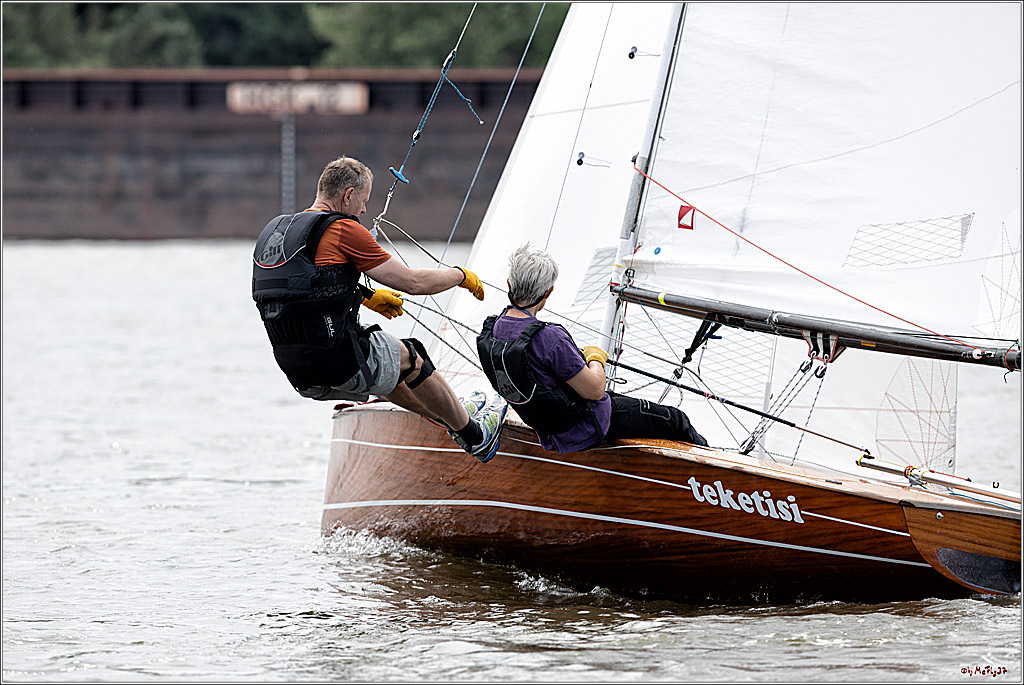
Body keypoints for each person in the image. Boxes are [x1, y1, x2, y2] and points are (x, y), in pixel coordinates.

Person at [253, 155, 506, 462]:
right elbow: (412, 282)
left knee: (388, 372)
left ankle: (452, 418)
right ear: (348, 195)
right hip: (335, 362)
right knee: (412, 357)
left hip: (296, 370)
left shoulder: (277, 232)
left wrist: (363, 296)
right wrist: (459, 276)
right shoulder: (344, 229)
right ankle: (475, 437)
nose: (363, 210)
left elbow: (300, 292)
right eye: (363, 201)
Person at [476, 243, 707, 454]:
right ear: (548, 292)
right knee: (675, 419)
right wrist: (596, 358)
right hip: (584, 428)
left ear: (509, 283)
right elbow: (595, 390)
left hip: (549, 428)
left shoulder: (492, 330)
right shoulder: (549, 338)